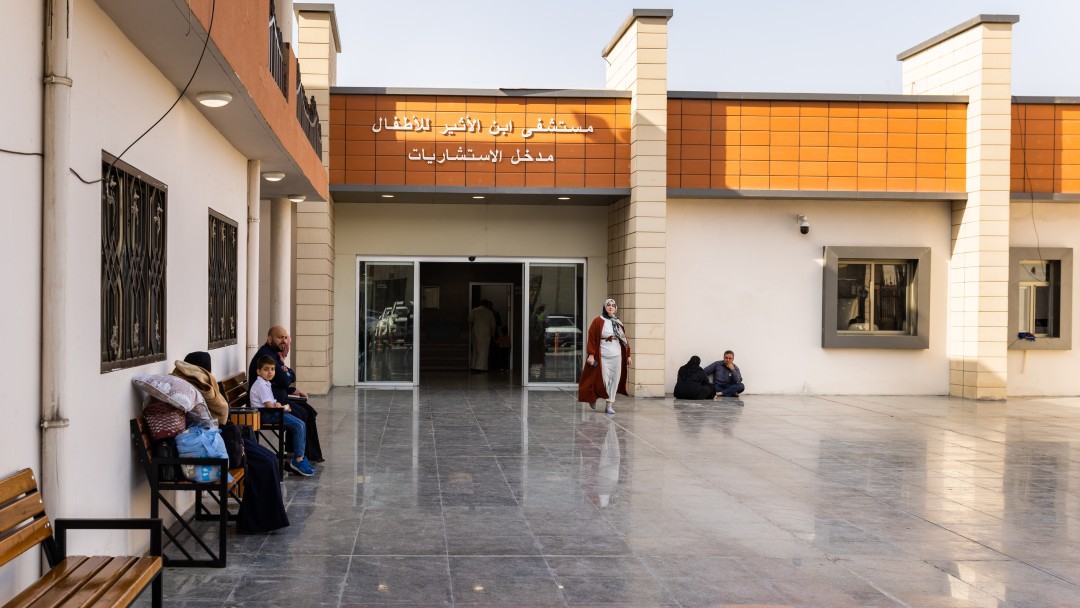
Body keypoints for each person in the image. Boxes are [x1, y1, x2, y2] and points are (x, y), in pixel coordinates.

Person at [175, 352, 289, 533]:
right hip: (212, 444)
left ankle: (261, 518)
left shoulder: (204, 387)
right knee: (264, 463)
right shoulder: (187, 392)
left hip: (223, 436)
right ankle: (254, 522)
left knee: (270, 458)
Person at [249, 326, 324, 462]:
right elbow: (284, 380)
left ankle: (307, 454)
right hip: (267, 407)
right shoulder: (266, 355)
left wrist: (288, 376)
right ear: (270, 339)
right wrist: (286, 374)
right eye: (280, 337)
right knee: (301, 414)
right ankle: (297, 455)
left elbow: (290, 375)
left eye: (285, 337)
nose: (283, 341)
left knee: (307, 411)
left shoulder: (274, 354)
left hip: (276, 400)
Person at [250, 355, 316, 477]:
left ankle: (299, 457)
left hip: (270, 413)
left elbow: (271, 402)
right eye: (266, 369)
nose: (270, 372)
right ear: (258, 371)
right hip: (266, 415)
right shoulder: (260, 385)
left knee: (301, 424)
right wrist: (281, 407)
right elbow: (269, 406)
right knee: (298, 426)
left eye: (272, 369)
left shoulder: (265, 383)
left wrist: (279, 404)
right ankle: (298, 460)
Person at [578, 298, 632, 414]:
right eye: (608, 305)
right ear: (604, 307)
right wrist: (591, 354)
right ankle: (593, 397)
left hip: (617, 355)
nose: (611, 307)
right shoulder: (598, 321)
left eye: (613, 305)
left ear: (616, 308)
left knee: (614, 379)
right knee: (602, 380)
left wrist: (628, 355)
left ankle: (609, 405)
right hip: (603, 355)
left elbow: (624, 340)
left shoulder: (618, 322)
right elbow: (591, 338)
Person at [468, 299, 496, 371]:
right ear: (487, 304)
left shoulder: (474, 310)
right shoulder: (489, 312)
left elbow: (469, 320)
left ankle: (474, 365)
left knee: (475, 349)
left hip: (476, 332)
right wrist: (493, 334)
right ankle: (481, 367)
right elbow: (493, 324)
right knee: (484, 350)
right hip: (486, 333)